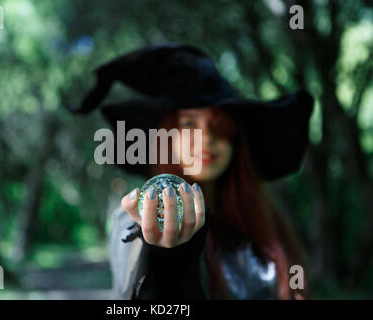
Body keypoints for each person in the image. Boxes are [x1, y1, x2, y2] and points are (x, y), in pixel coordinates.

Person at [67, 43, 314, 300]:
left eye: (218, 126)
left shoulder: (263, 222)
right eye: (188, 124)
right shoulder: (136, 219)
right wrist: (166, 258)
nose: (205, 138)